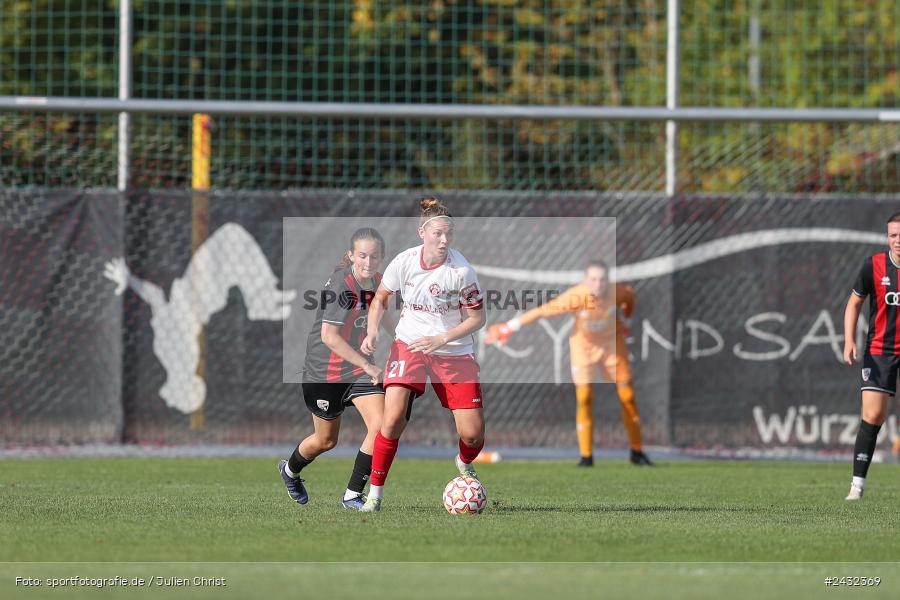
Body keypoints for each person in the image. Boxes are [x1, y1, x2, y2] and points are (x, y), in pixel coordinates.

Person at [358, 197, 487, 513]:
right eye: (437, 234)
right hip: (410, 346)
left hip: (454, 353)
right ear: (422, 233)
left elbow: (478, 318)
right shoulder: (404, 262)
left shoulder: (461, 272)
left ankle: (463, 460)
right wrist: (373, 331)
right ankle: (374, 495)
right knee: (391, 419)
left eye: (448, 235)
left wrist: (442, 337)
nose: (443, 241)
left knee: (472, 435)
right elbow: (380, 300)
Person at [485, 260, 653, 467]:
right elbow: (543, 311)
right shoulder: (576, 297)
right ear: (585, 280)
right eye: (593, 279)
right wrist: (509, 326)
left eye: (602, 279)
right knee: (584, 398)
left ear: (608, 281)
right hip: (584, 348)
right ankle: (586, 457)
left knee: (627, 398)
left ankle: (637, 452)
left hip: (613, 347)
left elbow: (630, 299)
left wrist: (626, 321)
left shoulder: (617, 293)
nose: (597, 284)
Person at [278, 227, 391, 510]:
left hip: (359, 372)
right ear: (351, 255)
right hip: (324, 373)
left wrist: (407, 340)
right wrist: (366, 363)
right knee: (326, 441)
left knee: (380, 427)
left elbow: (384, 317)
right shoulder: (341, 286)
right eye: (362, 256)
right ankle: (290, 471)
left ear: (381, 258)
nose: (368, 262)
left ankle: (353, 494)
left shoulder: (379, 282)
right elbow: (329, 337)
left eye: (374, 256)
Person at [842, 212, 900, 500]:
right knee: (873, 415)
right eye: (893, 235)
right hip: (880, 350)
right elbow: (854, 304)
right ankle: (857, 486)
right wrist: (849, 340)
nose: (898, 240)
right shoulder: (874, 265)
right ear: (887, 236)